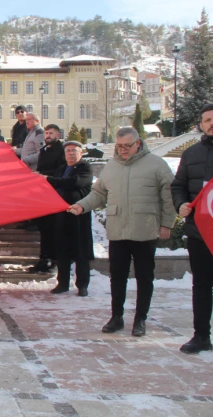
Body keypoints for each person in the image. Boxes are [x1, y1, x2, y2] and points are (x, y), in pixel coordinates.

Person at [70, 127, 175, 337]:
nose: (123, 150)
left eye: (127, 145)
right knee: (117, 277)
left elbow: (169, 198)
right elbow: (98, 194)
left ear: (138, 143)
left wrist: (167, 225)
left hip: (145, 230)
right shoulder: (112, 166)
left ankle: (140, 319)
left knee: (144, 277)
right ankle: (116, 317)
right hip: (118, 231)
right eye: (119, 146)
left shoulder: (156, 165)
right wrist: (82, 205)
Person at [172, 103, 213, 354]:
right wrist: (181, 204)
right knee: (201, 285)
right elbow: (178, 186)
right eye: (207, 120)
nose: (211, 124)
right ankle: (201, 336)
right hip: (199, 232)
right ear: (201, 124)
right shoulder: (191, 154)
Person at [44, 141, 93, 296]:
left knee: (81, 251)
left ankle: (82, 285)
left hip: (79, 215)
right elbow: (52, 182)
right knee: (62, 250)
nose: (71, 154)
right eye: (68, 151)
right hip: (61, 215)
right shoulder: (61, 169)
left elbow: (75, 182)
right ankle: (62, 283)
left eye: (74, 151)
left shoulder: (85, 168)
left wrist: (48, 179)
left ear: (81, 153)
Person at [28, 124, 66, 273]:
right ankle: (43, 259)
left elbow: (61, 171)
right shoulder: (44, 150)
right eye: (46, 133)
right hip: (42, 193)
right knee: (44, 229)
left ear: (58, 135)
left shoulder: (61, 150)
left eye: (51, 133)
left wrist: (45, 176)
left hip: (55, 192)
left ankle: (54, 261)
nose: (48, 136)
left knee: (53, 229)